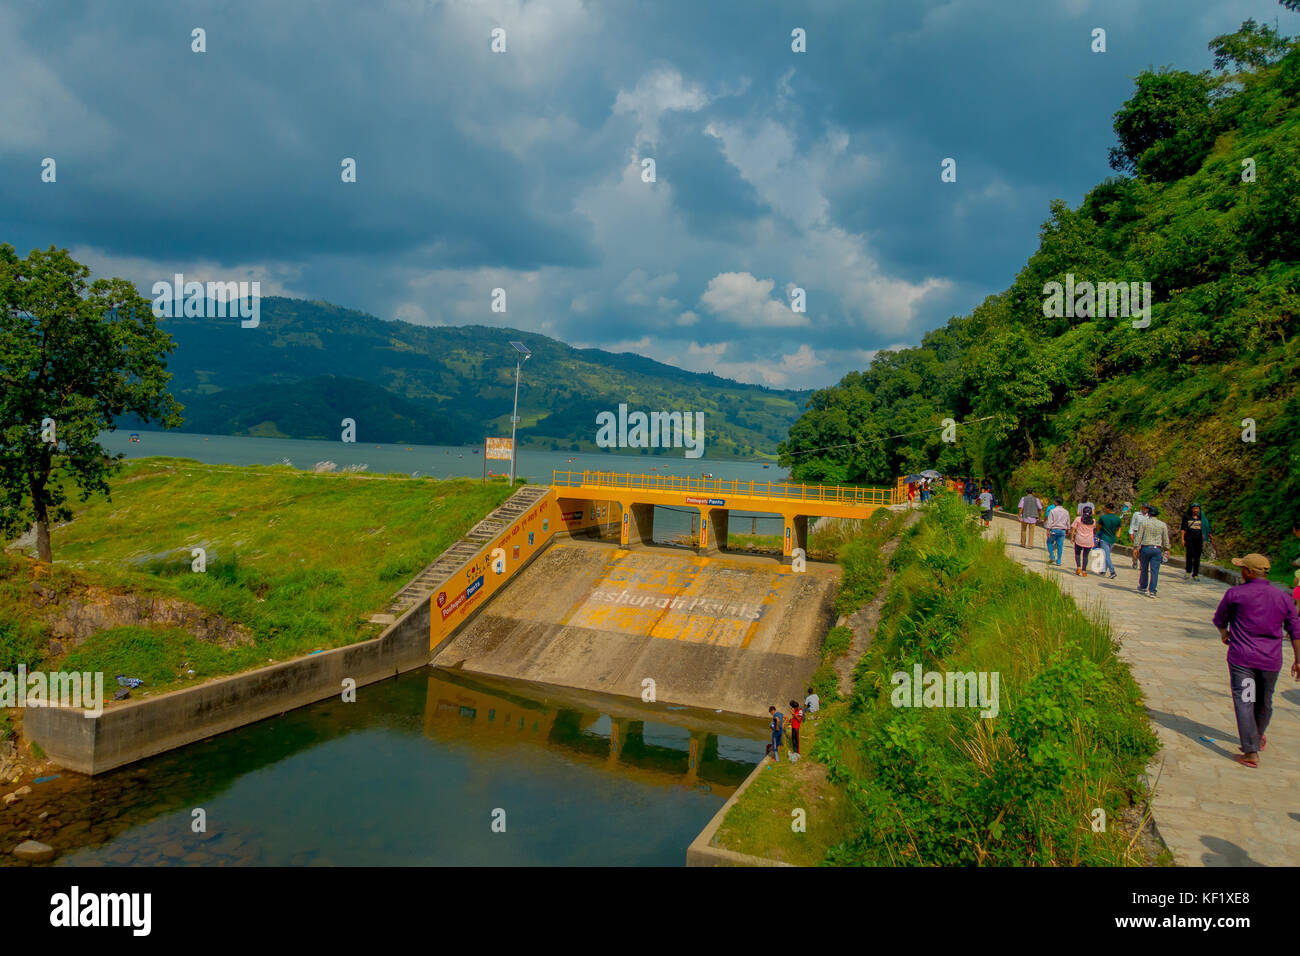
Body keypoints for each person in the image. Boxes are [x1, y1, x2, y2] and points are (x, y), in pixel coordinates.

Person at [1212, 553, 1300, 769]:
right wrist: (1298, 660)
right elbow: (1295, 631)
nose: (1241, 571)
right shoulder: (1283, 598)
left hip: (1243, 660)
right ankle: (1257, 736)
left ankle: (1251, 752)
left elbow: (1220, 619)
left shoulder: (1236, 594)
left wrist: (1224, 634)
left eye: (1242, 568)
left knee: (1245, 700)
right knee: (1264, 700)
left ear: (1249, 572)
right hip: (1270, 660)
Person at [1132, 504, 1171, 598]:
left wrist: (1135, 547)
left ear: (1148, 514)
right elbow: (1166, 539)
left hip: (1145, 548)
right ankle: (1153, 590)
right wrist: (1167, 549)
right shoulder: (1162, 525)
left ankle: (1143, 586)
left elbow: (1139, 536)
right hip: (1157, 549)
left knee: (1144, 568)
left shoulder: (1144, 523)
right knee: (1155, 571)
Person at [1182, 503, 1210, 581]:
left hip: (1198, 539)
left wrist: (1207, 535)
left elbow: (1206, 527)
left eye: (1197, 508)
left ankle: (1196, 574)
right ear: (1191, 509)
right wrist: (1182, 539)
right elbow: (1183, 529)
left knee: (1197, 557)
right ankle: (1188, 571)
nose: (1196, 510)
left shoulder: (1201, 518)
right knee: (1189, 555)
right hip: (1189, 538)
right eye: (1194, 508)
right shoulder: (1186, 517)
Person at [1095, 503, 1122, 579]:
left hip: (1104, 538)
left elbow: (1098, 527)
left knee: (1106, 556)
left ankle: (1112, 571)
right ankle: (1103, 570)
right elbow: (1118, 528)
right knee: (1107, 555)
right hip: (1112, 539)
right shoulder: (1117, 519)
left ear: (1107, 509)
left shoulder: (1103, 518)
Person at [1069, 505, 1097, 577]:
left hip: (1079, 539)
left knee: (1077, 554)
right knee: (1085, 556)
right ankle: (1084, 571)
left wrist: (1072, 537)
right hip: (1089, 540)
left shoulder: (1078, 519)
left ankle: (1078, 567)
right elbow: (1094, 529)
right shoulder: (1093, 521)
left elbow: (1073, 529)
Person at [1044, 497, 1070, 566]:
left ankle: (1052, 556)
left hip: (1054, 530)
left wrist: (1048, 530)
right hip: (1062, 531)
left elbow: (1049, 522)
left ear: (1056, 503)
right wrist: (1068, 530)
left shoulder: (1052, 511)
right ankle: (1058, 561)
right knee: (1060, 546)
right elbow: (1068, 522)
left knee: (1049, 542)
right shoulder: (1066, 511)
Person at [1128, 504, 1150, 569]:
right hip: (1136, 532)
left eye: (1147, 508)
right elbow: (1132, 524)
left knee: (1143, 550)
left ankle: (1142, 564)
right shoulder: (1136, 514)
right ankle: (1135, 562)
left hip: (1145, 534)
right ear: (1142, 507)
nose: (1146, 509)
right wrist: (1131, 533)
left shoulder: (1149, 516)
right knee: (1136, 549)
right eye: (1145, 508)